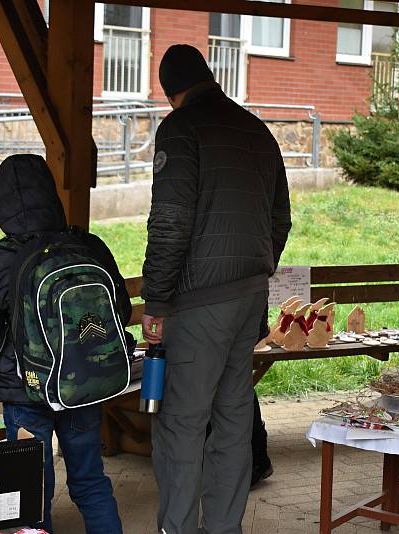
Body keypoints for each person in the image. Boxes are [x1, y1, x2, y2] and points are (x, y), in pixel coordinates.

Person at [143, 44, 292, 534]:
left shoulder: (181, 129)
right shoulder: (257, 130)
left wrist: (157, 301)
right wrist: (258, 269)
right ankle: (224, 528)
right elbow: (280, 220)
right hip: (249, 299)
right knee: (232, 421)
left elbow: (169, 224)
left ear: (171, 91)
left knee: (181, 425)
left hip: (197, 304)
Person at [0, 154, 128, 534]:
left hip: (26, 392)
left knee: (31, 493)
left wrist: (10, 360)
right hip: (83, 385)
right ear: (51, 195)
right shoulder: (89, 247)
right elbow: (120, 311)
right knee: (90, 481)